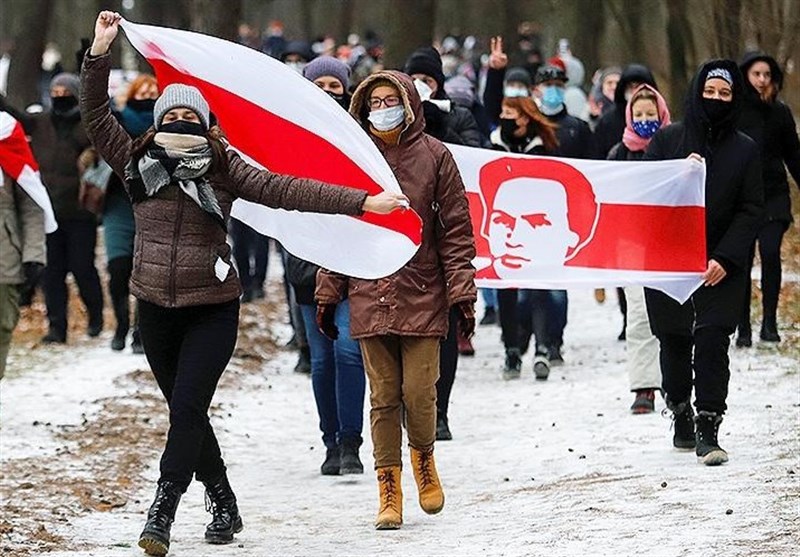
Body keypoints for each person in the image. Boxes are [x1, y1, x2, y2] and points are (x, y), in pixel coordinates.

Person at [82, 11, 407, 555]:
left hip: (212, 307)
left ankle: (162, 510)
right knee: (186, 413)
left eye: (191, 114)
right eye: (172, 114)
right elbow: (95, 114)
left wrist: (363, 202)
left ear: (206, 122)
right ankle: (224, 501)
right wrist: (99, 52)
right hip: (155, 306)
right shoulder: (135, 161)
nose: (181, 120)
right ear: (157, 121)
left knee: (188, 408)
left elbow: (287, 189)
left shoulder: (224, 166)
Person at [315, 71, 476, 530]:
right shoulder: (354, 156)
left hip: (422, 288)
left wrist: (461, 291)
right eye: (375, 101)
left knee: (419, 391)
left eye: (391, 100)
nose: (383, 109)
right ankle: (389, 487)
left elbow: (456, 229)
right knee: (384, 395)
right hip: (370, 288)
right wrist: (329, 290)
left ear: (408, 104)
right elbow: (339, 230)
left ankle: (424, 461)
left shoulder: (435, 156)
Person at [643, 60, 763, 466]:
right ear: (697, 92)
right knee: (674, 338)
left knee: (712, 339)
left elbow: (751, 208)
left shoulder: (745, 149)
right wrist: (679, 176)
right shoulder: (667, 141)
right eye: (709, 91)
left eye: (724, 93)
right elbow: (647, 198)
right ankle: (679, 409)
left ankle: (709, 426)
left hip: (721, 262)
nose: (716, 99)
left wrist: (726, 257)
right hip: (669, 261)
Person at [286, 55, 366, 476]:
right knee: (321, 359)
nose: (327, 93)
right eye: (319, 85)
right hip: (307, 261)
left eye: (335, 86)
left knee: (349, 351)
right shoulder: (288, 133)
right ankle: (330, 441)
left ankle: (352, 441)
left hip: (352, 260)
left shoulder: (359, 136)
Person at [404, 45, 481, 433]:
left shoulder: (459, 116)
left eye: (428, 80)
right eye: (415, 79)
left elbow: (477, 158)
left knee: (445, 329)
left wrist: (439, 125)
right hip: (407, 235)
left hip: (445, 234)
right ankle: (412, 405)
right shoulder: (394, 118)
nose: (422, 86)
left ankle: (440, 411)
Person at [487, 96, 561, 381]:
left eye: (510, 113)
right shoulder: (493, 144)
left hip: (536, 229)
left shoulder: (544, 147)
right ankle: (512, 349)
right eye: (503, 112)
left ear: (525, 118)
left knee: (538, 287)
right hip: (506, 227)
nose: (504, 117)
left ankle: (542, 346)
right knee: (506, 290)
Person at [608, 84, 671, 414]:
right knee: (639, 315)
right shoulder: (619, 153)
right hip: (632, 245)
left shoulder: (676, 146)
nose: (645, 120)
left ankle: (675, 380)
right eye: (639, 114)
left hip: (670, 243)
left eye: (651, 114)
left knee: (674, 316)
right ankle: (644, 385)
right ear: (629, 117)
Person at [28, 71, 104, 344]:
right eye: (55, 93)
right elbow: (13, 115)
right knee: (52, 273)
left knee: (83, 268)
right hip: (48, 214)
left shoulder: (88, 125)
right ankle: (56, 328)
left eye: (66, 93)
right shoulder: (40, 123)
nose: (60, 97)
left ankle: (95, 316)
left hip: (80, 212)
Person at [735, 52, 800, 347]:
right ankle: (743, 326)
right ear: (745, 76)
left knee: (771, 253)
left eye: (767, 75)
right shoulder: (733, 112)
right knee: (741, 260)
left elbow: (793, 155)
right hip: (741, 198)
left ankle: (769, 322)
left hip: (774, 195)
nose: (762, 80)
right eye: (756, 74)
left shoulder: (780, 112)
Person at [103, 73, 159, 352]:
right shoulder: (118, 120)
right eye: (142, 91)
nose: (147, 95)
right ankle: (121, 324)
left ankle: (140, 330)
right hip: (118, 203)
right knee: (118, 268)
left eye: (153, 92)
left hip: (152, 203)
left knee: (145, 271)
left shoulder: (166, 127)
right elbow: (96, 112)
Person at [0, 112, 46, 380]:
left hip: (4, 260)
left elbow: (32, 204)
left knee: (1, 329)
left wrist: (34, 255)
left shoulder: (6, 135)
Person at [594, 63, 658, 159]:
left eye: (640, 87)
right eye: (631, 87)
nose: (635, 91)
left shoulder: (662, 121)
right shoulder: (608, 122)